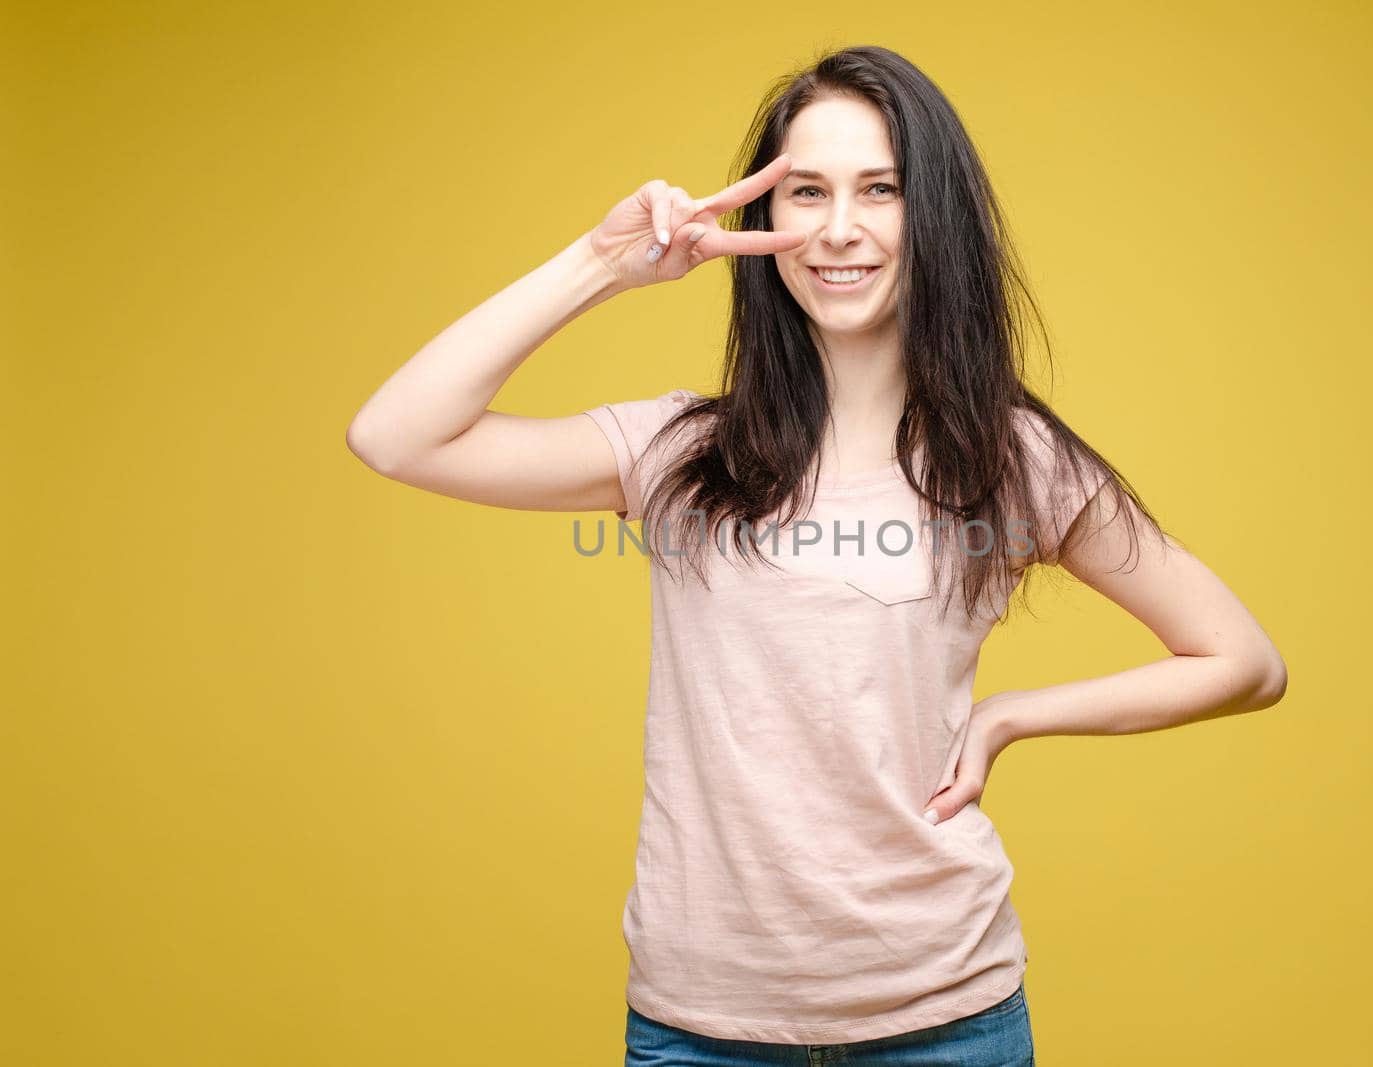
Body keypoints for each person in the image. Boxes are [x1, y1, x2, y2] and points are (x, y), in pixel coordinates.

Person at [347, 44, 1287, 1067]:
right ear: (760, 220)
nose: (838, 229)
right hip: (700, 1026)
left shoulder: (1011, 459)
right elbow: (395, 435)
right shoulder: (676, 452)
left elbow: (1241, 659)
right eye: (805, 192)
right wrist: (601, 265)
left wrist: (1013, 716)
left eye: (879, 189)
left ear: (932, 215)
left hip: (946, 1017)